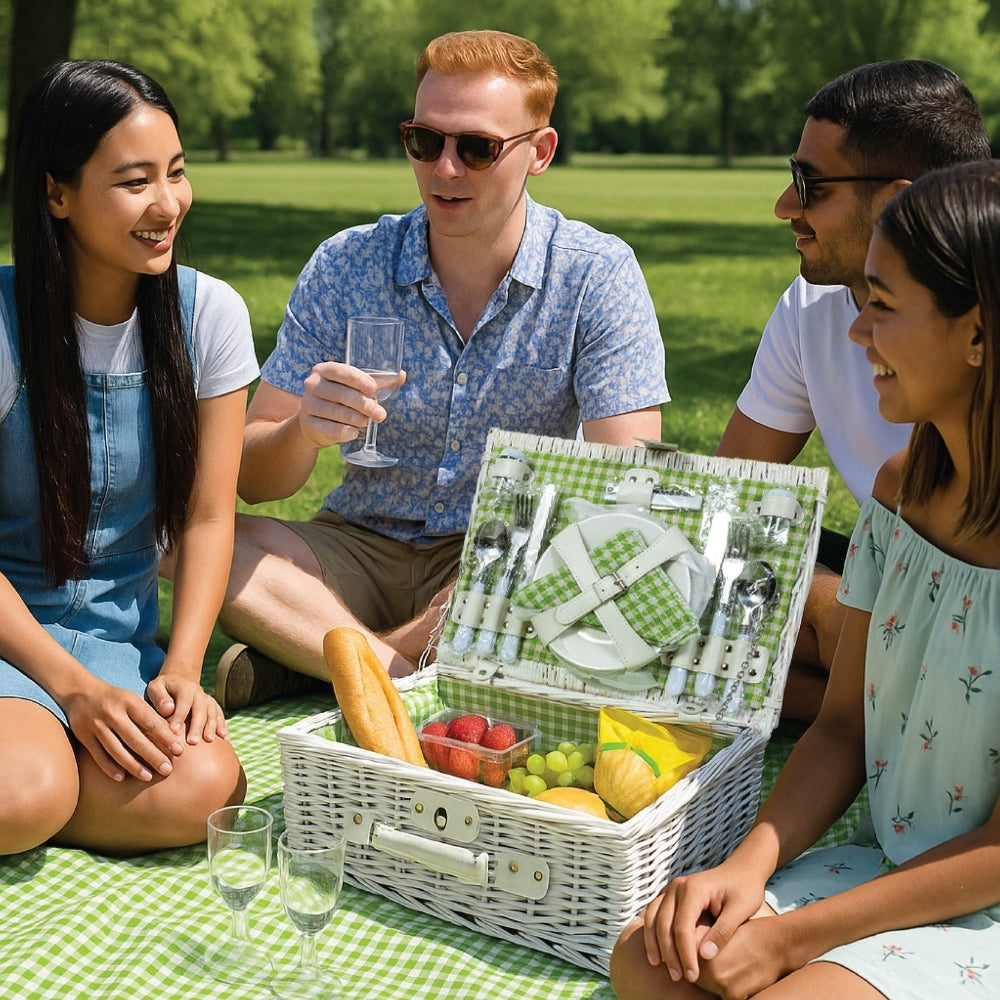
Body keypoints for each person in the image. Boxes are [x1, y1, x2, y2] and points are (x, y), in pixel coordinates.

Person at [610, 159, 1000, 1000]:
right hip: (889, 867)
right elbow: (839, 729)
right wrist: (746, 869)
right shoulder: (900, 491)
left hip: (987, 897)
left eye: (883, 308)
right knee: (648, 958)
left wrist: (794, 941)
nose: (859, 334)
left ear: (978, 334)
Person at [214, 29, 669, 709]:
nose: (443, 170)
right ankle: (400, 674)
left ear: (539, 152)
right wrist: (302, 431)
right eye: (424, 141)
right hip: (356, 548)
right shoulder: (348, 263)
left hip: (502, 556)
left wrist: (496, 570)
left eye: (477, 148)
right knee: (204, 541)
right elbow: (248, 477)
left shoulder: (595, 274)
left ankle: (322, 657)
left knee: (552, 578)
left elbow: (628, 484)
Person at [0, 61, 259, 857]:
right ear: (56, 194)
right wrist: (71, 693)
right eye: (135, 181)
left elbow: (210, 515)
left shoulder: (209, 314)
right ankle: (41, 783)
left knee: (205, 793)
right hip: (10, 635)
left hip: (121, 647)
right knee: (21, 798)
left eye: (176, 174)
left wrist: (183, 666)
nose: (167, 205)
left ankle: (53, 781)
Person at [714, 60, 990, 722]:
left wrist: (822, 609)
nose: (785, 205)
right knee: (703, 578)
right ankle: (869, 703)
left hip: (973, 583)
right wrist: (818, 599)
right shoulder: (811, 306)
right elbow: (723, 495)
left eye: (810, 184)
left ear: (900, 198)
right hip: (891, 564)